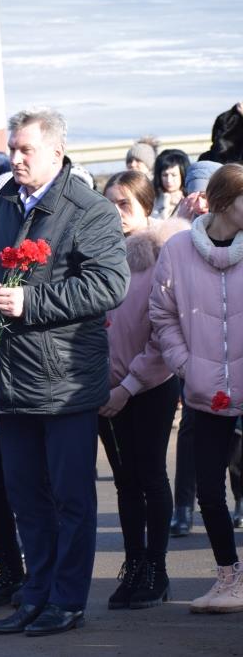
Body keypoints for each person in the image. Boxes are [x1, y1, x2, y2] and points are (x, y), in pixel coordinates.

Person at [0, 108, 129, 636]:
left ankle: (67, 599)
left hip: (64, 381)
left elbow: (109, 284)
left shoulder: (88, 209)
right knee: (25, 497)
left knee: (70, 499)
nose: (16, 157)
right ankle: (36, 594)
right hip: (10, 381)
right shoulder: (6, 201)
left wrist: (32, 302)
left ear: (56, 152)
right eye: (13, 147)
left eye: (26, 149)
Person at [150, 163, 243, 613]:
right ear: (224, 202)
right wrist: (187, 365)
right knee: (207, 488)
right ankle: (228, 578)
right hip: (205, 390)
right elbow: (161, 314)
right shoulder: (178, 250)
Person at [99, 171, 185, 610]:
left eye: (125, 204)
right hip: (106, 388)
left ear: (146, 207)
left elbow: (162, 335)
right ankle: (133, 565)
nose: (116, 212)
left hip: (149, 387)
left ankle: (157, 568)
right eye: (109, 202)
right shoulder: (96, 255)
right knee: (125, 480)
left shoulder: (160, 256)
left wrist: (128, 386)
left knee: (150, 475)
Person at [152, 149, 191, 219]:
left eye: (174, 175)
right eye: (165, 175)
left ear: (182, 174)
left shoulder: (191, 200)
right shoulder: (152, 199)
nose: (169, 180)